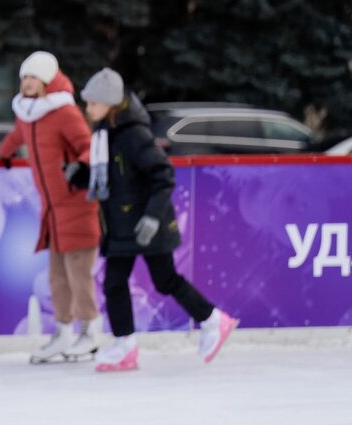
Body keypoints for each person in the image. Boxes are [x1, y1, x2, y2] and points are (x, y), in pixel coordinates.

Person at [79, 67, 238, 372]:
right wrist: (81, 175)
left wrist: (152, 217)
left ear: (111, 103)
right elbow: (113, 177)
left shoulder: (133, 135)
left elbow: (163, 175)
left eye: (93, 103)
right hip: (122, 223)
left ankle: (213, 320)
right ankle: (125, 344)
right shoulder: (106, 133)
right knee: (115, 283)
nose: (88, 109)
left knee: (163, 280)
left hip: (147, 223)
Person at [0, 50, 103, 364]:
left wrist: (80, 169)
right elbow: (20, 134)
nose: (27, 83)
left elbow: (88, 147)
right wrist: (5, 151)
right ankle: (63, 333)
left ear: (46, 81)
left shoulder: (65, 112)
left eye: (34, 77)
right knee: (56, 276)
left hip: (76, 203)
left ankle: (90, 333)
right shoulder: (27, 112)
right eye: (24, 77)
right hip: (53, 208)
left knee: (78, 274)